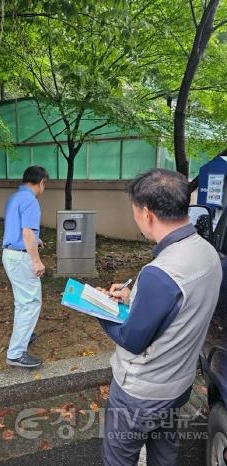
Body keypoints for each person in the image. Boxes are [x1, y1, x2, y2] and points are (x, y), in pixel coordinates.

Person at [98, 169, 222, 466]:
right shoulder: (208, 253)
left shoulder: (160, 272)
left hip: (141, 392)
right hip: (178, 384)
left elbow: (132, 339)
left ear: (146, 213)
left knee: (118, 457)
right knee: (165, 452)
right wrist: (134, 299)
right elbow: (181, 305)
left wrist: (101, 310)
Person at [2, 166, 49, 368]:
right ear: (41, 182)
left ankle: (24, 335)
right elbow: (27, 232)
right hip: (21, 258)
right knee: (30, 302)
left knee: (22, 302)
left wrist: (35, 241)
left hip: (10, 254)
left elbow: (18, 229)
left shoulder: (14, 197)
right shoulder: (31, 200)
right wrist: (37, 261)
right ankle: (16, 353)